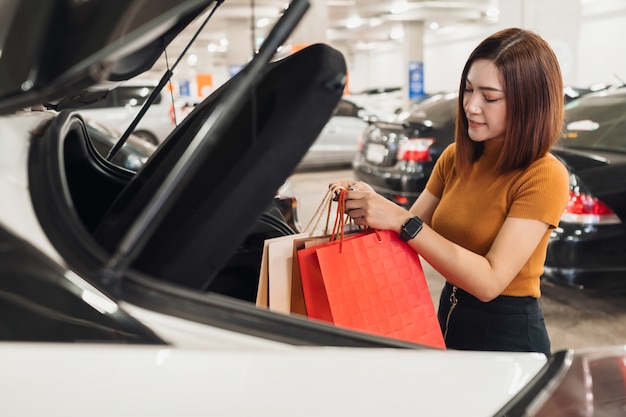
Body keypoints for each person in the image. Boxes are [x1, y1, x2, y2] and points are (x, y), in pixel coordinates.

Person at [330, 28, 569, 357]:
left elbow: (489, 282)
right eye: (468, 90)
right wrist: (366, 202)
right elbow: (405, 233)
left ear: (530, 102)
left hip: (507, 335)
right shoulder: (457, 157)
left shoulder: (543, 175)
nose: (471, 105)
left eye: (490, 96)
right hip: (449, 312)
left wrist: (401, 220)